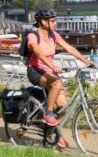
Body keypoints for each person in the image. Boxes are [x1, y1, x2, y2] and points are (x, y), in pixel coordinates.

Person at [26, 9, 93, 146]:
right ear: (43, 22)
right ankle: (48, 114)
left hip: (49, 71)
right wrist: (52, 65)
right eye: (52, 21)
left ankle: (52, 134)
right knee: (56, 83)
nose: (55, 23)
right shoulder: (33, 36)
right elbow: (38, 53)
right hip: (35, 70)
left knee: (63, 107)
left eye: (55, 20)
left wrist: (84, 60)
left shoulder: (53, 35)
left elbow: (69, 48)